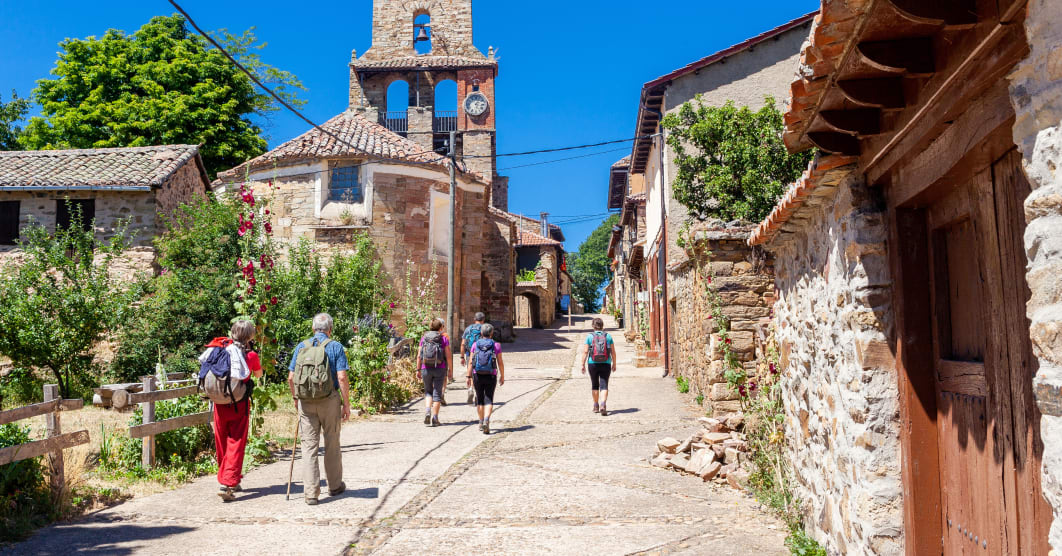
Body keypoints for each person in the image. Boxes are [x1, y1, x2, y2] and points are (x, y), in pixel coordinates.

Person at [288, 313, 351, 505]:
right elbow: (341, 377)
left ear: (313, 328)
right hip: (329, 400)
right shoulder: (335, 346)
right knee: (332, 442)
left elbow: (291, 377)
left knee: (309, 447)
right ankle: (334, 486)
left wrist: (296, 398)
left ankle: (311, 493)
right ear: (330, 329)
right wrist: (346, 403)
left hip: (306, 401)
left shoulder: (301, 346)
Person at [201, 320, 262, 502]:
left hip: (218, 403)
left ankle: (228, 478)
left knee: (222, 440)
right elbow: (258, 375)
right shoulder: (250, 355)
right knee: (236, 441)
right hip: (238, 404)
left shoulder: (221, 350)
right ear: (250, 336)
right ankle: (227, 483)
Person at [466, 323, 504, 434]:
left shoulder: (475, 344)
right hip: (491, 374)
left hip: (477, 374)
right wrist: (502, 375)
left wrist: (468, 376)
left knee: (480, 399)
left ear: (481, 333)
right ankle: (487, 420)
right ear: (492, 333)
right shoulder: (496, 345)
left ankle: (480, 421)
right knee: (489, 398)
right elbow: (500, 362)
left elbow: (470, 362)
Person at [417, 318, 453, 427]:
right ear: (440, 328)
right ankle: (435, 417)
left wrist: (418, 369)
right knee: (437, 393)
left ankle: (428, 410)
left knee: (428, 391)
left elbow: (419, 355)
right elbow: (448, 356)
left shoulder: (424, 338)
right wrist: (450, 369)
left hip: (425, 367)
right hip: (440, 367)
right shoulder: (443, 338)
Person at [580, 317, 617, 416]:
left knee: (595, 385)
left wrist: (582, 364)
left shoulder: (589, 337)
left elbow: (585, 352)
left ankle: (596, 406)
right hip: (606, 363)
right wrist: (614, 363)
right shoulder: (608, 336)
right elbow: (613, 352)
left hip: (593, 363)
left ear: (593, 326)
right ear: (602, 326)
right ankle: (603, 405)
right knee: (604, 385)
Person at [460, 312, 487, 404]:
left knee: (470, 372)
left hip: (469, 354)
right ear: (483, 320)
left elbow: (463, 344)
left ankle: (470, 389)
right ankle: (477, 394)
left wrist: (462, 356)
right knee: (478, 374)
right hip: (482, 354)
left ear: (474, 319)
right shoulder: (485, 328)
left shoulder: (468, 329)